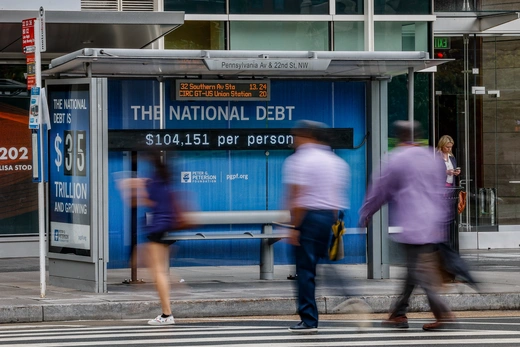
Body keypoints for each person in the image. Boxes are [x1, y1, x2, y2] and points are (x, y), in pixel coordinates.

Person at [359, 121, 455, 331]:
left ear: (399, 137)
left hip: (413, 225)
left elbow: (379, 191)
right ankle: (399, 314)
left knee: (419, 271)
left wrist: (366, 213)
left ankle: (442, 313)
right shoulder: (431, 157)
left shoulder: (396, 159)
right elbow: (440, 190)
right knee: (414, 271)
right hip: (433, 223)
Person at [282, 120, 350, 334]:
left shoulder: (299, 159)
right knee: (325, 265)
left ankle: (309, 319)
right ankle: (350, 297)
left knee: (305, 270)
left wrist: (294, 227)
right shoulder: (336, 161)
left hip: (308, 218)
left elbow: (296, 196)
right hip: (329, 218)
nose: (294, 141)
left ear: (306, 136)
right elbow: (337, 197)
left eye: (296, 136)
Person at [117, 151, 178, 326]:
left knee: (157, 271)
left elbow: (138, 201)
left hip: (158, 228)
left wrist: (126, 186)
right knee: (159, 269)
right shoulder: (165, 179)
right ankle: (168, 306)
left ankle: (167, 314)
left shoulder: (155, 181)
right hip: (168, 227)